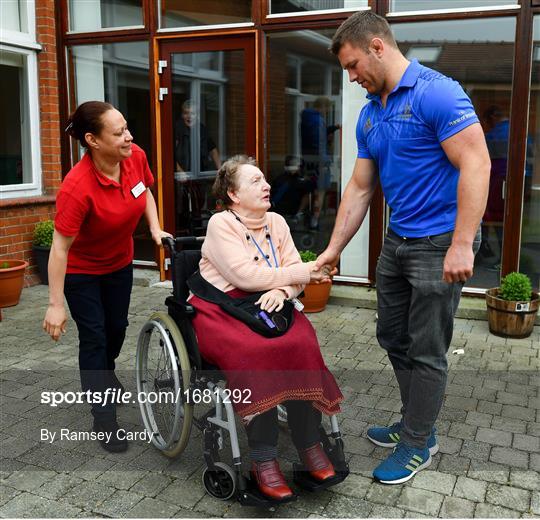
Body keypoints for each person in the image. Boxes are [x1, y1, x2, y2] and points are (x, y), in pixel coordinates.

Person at [316, 11, 490, 485]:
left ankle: (417, 442)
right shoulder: (372, 113)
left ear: (377, 46)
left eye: (353, 66)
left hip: (439, 244)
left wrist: (461, 245)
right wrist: (332, 250)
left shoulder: (438, 92)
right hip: (398, 242)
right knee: (392, 336)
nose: (352, 78)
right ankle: (417, 420)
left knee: (428, 349)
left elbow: (477, 164)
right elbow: (359, 189)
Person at [189, 155, 344, 501]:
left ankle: (310, 445)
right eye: (256, 181)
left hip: (269, 305)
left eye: (264, 180)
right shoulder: (221, 224)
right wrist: (301, 274)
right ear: (232, 194)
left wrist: (282, 290)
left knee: (303, 341)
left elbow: (290, 273)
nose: (267, 185)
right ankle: (263, 458)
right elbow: (244, 277)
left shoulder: (276, 221)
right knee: (256, 351)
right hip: (223, 307)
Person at [43, 101, 171, 453]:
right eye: (118, 133)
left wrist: (155, 228)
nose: (129, 137)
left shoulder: (134, 156)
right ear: (93, 140)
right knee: (95, 337)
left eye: (127, 128)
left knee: (116, 329)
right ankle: (104, 418)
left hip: (119, 263)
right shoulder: (77, 188)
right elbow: (59, 249)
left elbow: (143, 191)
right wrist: (55, 305)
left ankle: (106, 372)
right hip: (82, 272)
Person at [300, 97, 340, 229]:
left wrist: (333, 128)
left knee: (309, 189)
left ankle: (299, 214)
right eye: (327, 109)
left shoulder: (306, 119)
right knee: (320, 191)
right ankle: (315, 221)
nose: (327, 111)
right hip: (319, 162)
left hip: (308, 160)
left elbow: (317, 136)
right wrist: (325, 161)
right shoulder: (318, 120)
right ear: (322, 107)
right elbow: (319, 142)